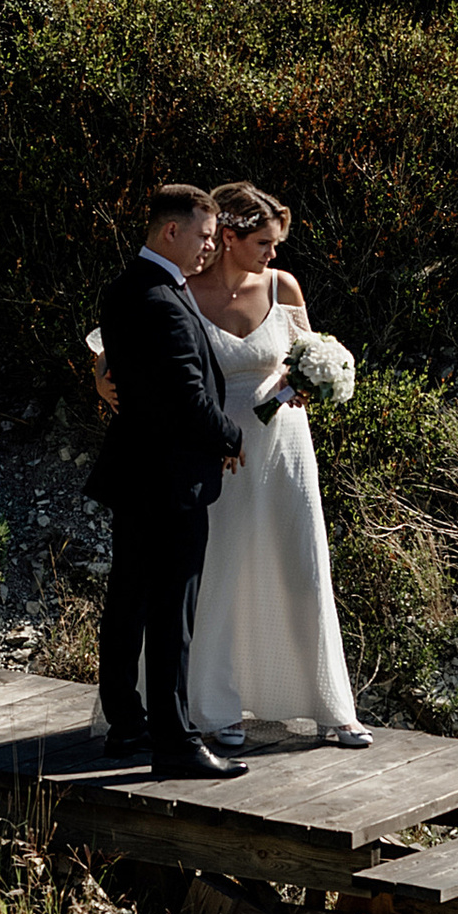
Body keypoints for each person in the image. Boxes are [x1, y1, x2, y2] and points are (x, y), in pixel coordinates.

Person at [89, 183, 368, 751]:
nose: (273, 253)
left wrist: (317, 379)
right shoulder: (181, 287)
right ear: (232, 239)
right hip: (212, 452)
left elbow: (307, 351)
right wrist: (101, 377)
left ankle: (327, 703)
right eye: (263, 241)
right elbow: (121, 345)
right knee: (215, 576)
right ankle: (215, 707)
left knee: (299, 566)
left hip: (282, 447)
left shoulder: (282, 286)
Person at [88, 182, 250, 781]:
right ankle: (176, 741)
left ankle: (127, 723)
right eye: (205, 237)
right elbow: (185, 397)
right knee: (171, 611)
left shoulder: (126, 287)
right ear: (170, 231)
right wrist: (230, 438)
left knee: (128, 599)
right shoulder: (159, 298)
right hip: (171, 479)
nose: (211, 248)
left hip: (136, 473)